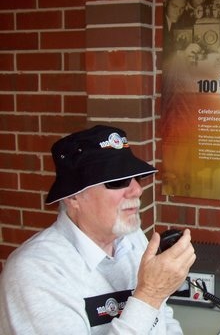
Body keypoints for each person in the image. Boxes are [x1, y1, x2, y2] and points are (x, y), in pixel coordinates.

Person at [0, 125, 196, 334]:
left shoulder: (132, 238)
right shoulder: (35, 273)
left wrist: (155, 297)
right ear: (73, 197)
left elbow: (163, 318)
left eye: (136, 177)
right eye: (117, 181)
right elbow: (151, 302)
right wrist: (149, 294)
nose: (137, 190)